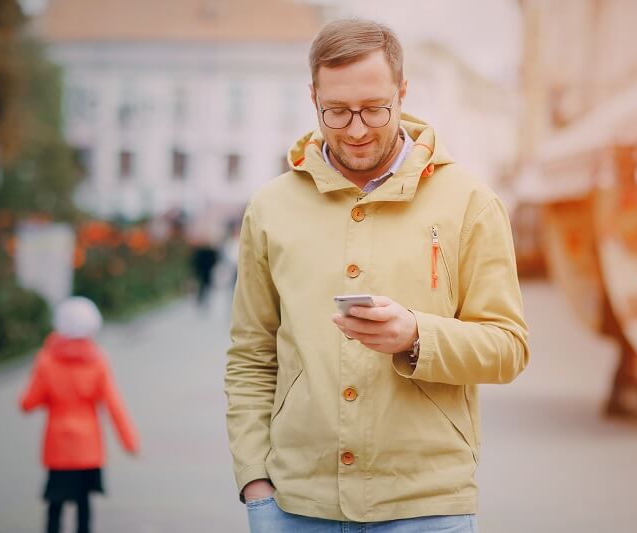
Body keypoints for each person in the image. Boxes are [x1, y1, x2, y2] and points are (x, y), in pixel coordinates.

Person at [225, 19, 529, 532]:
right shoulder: (269, 207)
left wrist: (417, 335)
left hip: (426, 506)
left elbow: (509, 348)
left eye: (374, 108)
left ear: (403, 91)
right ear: (313, 96)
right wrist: (255, 482)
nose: (357, 129)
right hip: (296, 506)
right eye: (336, 112)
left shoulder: (471, 204)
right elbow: (251, 356)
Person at [20, 296, 139, 533]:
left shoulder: (46, 360)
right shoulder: (97, 361)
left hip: (58, 448)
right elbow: (113, 404)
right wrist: (129, 441)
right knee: (84, 504)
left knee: (55, 503)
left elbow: (28, 403)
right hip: (88, 449)